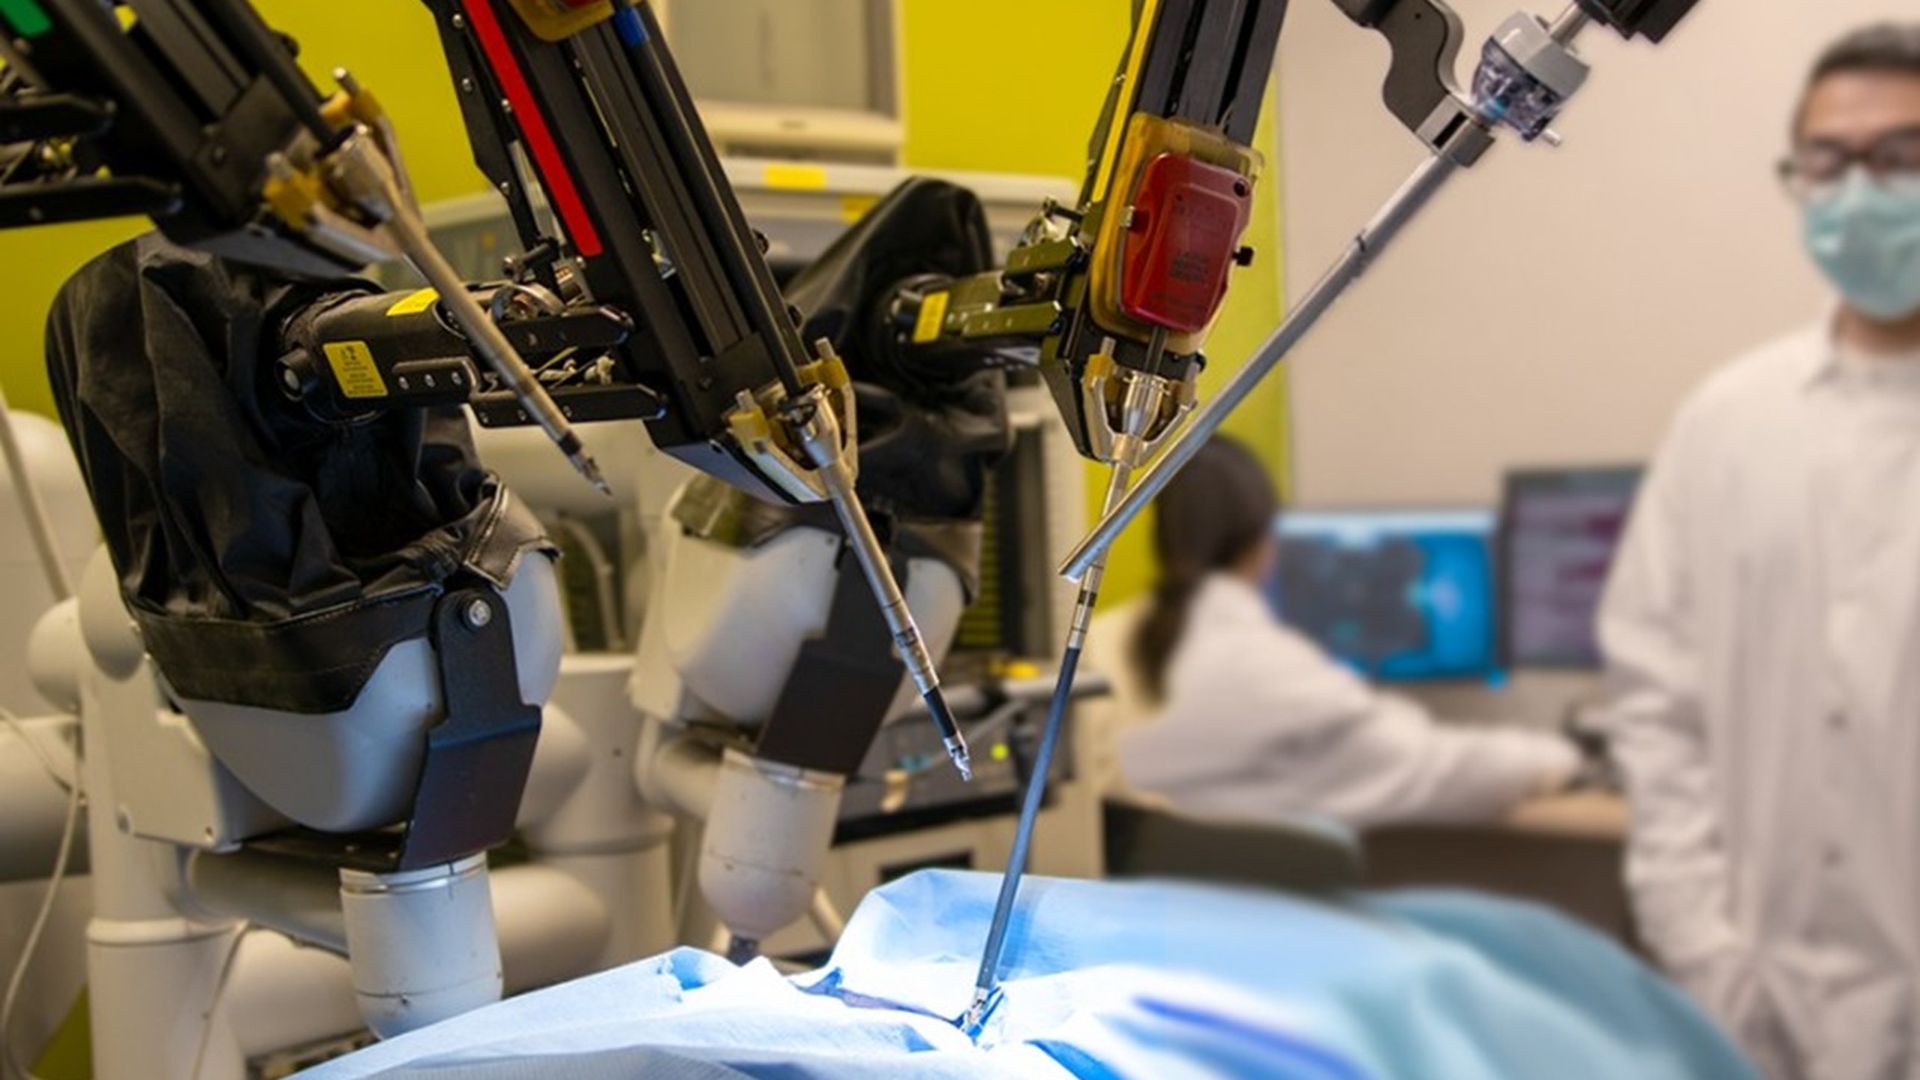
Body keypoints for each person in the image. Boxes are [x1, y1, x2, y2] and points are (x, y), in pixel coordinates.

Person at [1599, 23, 1920, 1080]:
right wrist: (1708, 957)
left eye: (1901, 155)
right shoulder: (1730, 423)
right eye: (1828, 160)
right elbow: (1657, 707)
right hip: (1761, 1009)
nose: (1859, 192)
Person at [1112, 436, 1582, 829]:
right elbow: (1439, 770)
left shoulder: (1106, 646)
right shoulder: (1265, 668)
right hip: (1265, 905)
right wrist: (1563, 757)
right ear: (1262, 543)